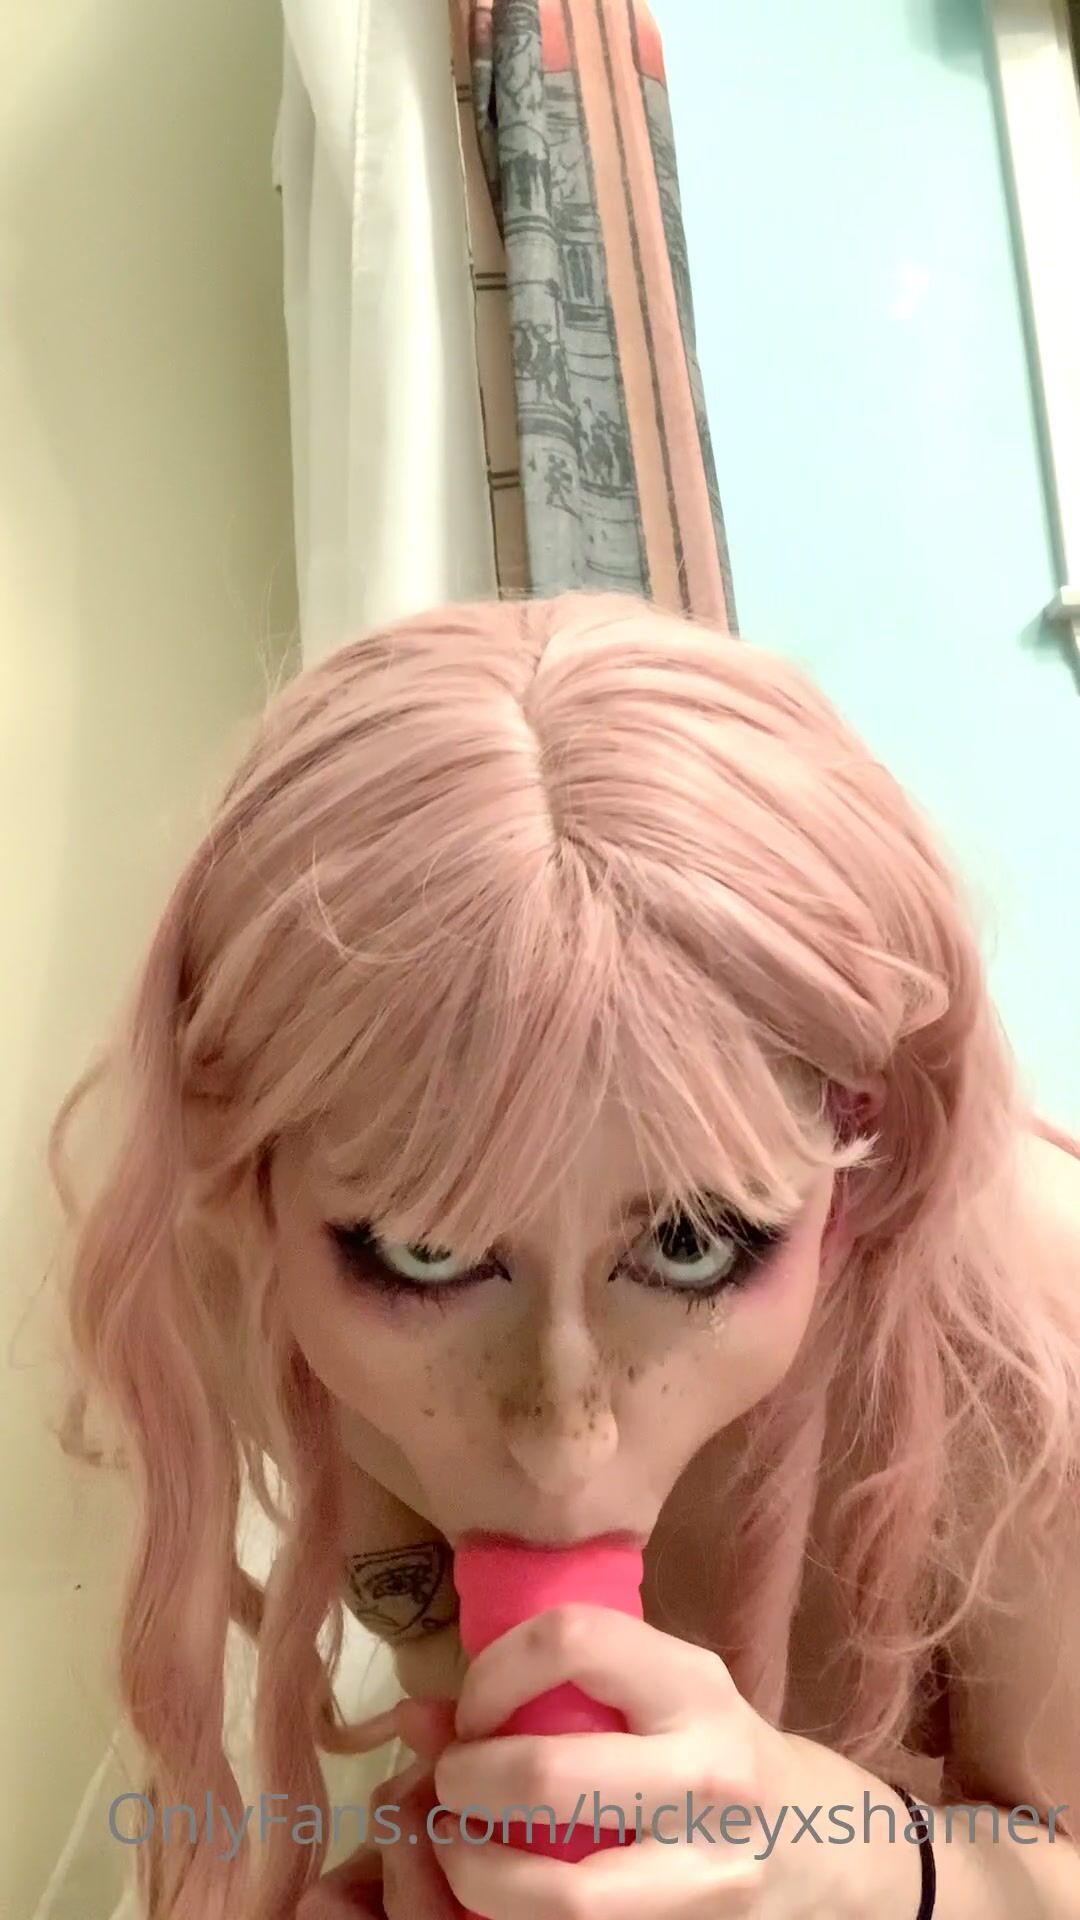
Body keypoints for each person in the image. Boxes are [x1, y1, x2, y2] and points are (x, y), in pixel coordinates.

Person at [54, 592, 1080, 1919]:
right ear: (243, 1169)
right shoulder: (240, 1283)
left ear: (857, 1150)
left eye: (693, 1244)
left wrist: (856, 1868)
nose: (562, 1439)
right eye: (428, 1251)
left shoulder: (1026, 1338)